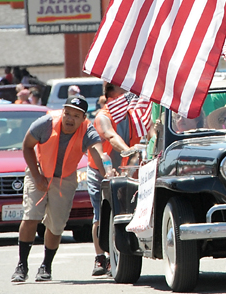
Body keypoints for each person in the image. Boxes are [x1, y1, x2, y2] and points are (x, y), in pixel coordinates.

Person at [11, 96, 105, 283]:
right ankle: (22, 265)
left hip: (65, 178)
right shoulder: (46, 123)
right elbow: (27, 146)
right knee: (31, 217)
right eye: (67, 113)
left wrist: (107, 172)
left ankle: (46, 265)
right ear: (62, 111)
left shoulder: (88, 131)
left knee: (56, 225)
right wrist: (37, 177)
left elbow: (98, 152)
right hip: (38, 171)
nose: (70, 119)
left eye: (76, 116)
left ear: (83, 118)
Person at [87, 84, 137, 276]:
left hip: (124, 171)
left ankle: (118, 254)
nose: (128, 94)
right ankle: (100, 257)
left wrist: (131, 168)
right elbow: (111, 136)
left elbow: (139, 140)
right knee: (100, 214)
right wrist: (129, 150)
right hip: (100, 170)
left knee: (121, 213)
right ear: (110, 94)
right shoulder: (103, 116)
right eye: (123, 91)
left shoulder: (132, 115)